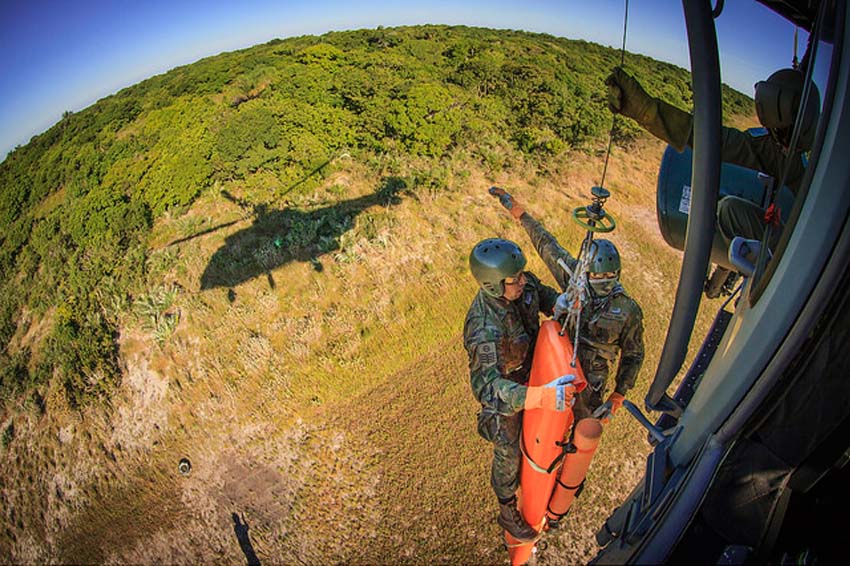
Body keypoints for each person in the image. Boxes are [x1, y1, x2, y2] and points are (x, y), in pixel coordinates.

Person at [604, 66, 818, 288]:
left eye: (780, 132)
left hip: (806, 255)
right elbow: (709, 138)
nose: (776, 140)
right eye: (773, 132)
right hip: (792, 236)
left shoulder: (822, 165)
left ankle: (774, 280)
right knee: (729, 209)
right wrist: (643, 110)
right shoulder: (778, 149)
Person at [489, 188, 645, 424]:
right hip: (556, 361)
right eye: (597, 278)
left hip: (590, 382)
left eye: (608, 278)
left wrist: (618, 395)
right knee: (541, 419)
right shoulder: (575, 278)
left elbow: (633, 354)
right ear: (587, 272)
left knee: (580, 429)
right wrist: (517, 210)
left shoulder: (627, 310)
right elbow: (545, 242)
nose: (601, 284)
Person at [464, 237, 577, 542]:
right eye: (515, 280)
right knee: (508, 450)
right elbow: (486, 386)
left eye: (523, 275)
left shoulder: (522, 285)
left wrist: (559, 303)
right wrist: (538, 396)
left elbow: (542, 295)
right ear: (493, 285)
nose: (523, 282)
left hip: (534, 370)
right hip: (507, 391)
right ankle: (507, 509)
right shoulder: (483, 328)